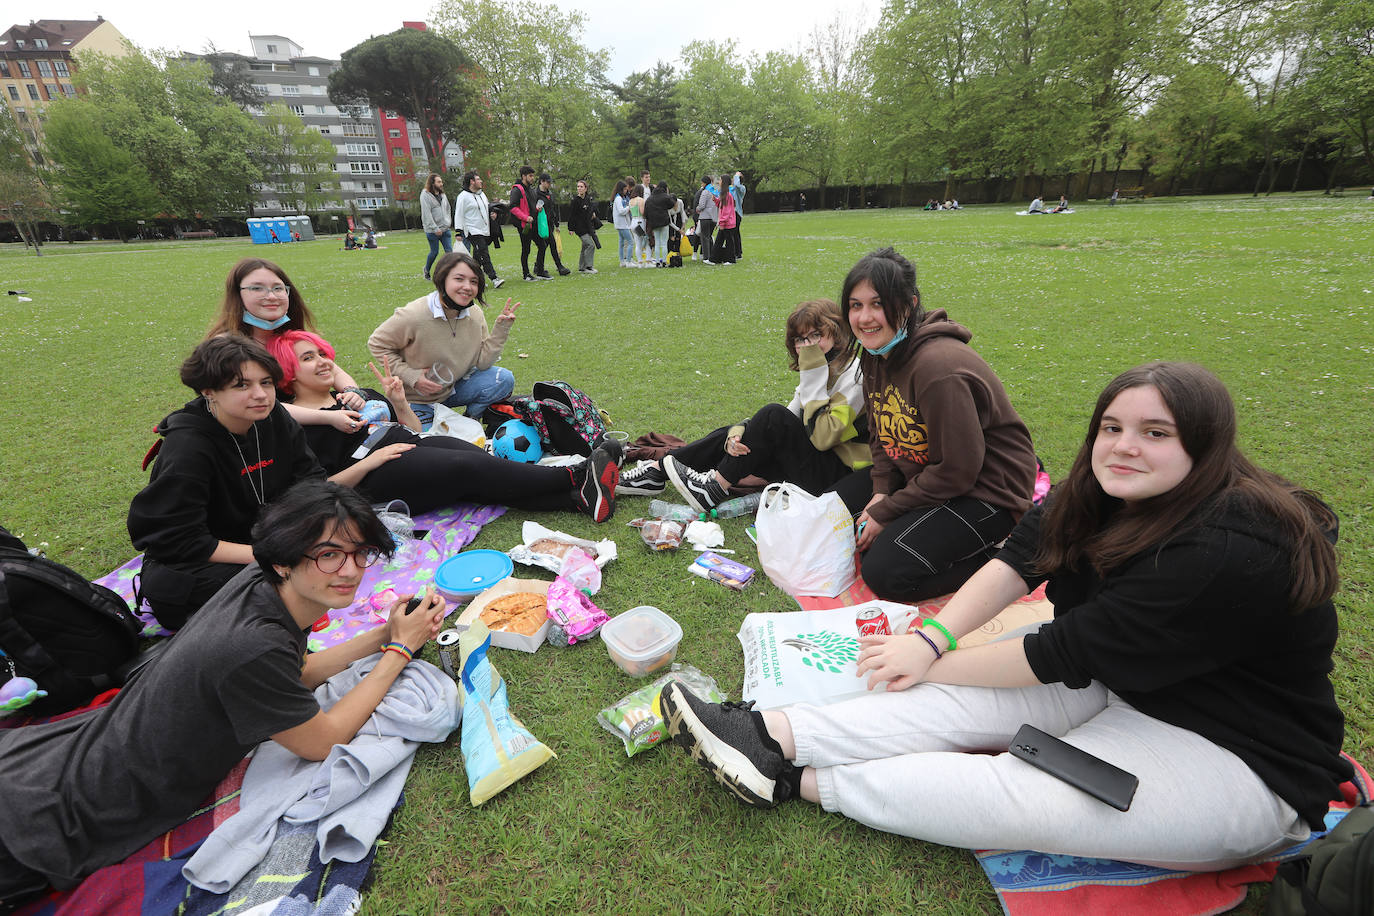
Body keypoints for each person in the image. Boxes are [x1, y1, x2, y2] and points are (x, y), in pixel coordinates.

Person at [660, 361, 1350, 873]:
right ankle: (767, 734)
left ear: (1205, 447)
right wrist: (931, 640)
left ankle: (796, 782)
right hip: (1128, 680)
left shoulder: (1232, 547)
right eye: (1111, 427)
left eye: (1154, 433)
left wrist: (931, 654)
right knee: (955, 695)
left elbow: (1062, 653)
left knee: (1020, 796)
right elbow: (1020, 561)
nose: (1122, 446)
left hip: (1236, 751)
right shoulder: (1098, 486)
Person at [2, 480, 450, 901]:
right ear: (283, 558)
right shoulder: (253, 643)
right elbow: (324, 741)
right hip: (51, 826)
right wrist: (399, 650)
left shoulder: (265, 588)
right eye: (329, 554)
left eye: (361, 553)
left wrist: (384, 634)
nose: (350, 570)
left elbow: (296, 673)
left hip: (61, 764)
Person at [831, 247, 1036, 602]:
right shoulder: (876, 355)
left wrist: (888, 510)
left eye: (878, 304)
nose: (865, 317)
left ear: (908, 305)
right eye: (856, 305)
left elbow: (959, 470)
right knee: (834, 519)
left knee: (884, 572)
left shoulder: (939, 368)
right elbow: (881, 435)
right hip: (924, 473)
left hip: (986, 491)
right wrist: (881, 490)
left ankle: (1013, 557)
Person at [269, 331, 623, 521]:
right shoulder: (292, 425)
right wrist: (372, 461)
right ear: (287, 371)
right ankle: (577, 476)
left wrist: (399, 402)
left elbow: (411, 428)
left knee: (479, 476)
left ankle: (574, 500)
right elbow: (314, 490)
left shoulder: (351, 398)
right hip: (374, 479)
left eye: (321, 354)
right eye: (307, 358)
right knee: (465, 466)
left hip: (409, 444)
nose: (322, 362)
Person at [127, 336, 327, 630]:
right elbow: (180, 540)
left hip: (260, 540)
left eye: (267, 382)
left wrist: (302, 534)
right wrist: (274, 557)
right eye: (241, 385)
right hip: (196, 563)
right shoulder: (188, 446)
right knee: (283, 587)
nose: (260, 395)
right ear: (209, 391)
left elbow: (310, 479)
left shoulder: (274, 417)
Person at [620, 300, 868, 510]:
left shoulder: (853, 376)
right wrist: (737, 433)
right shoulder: (819, 370)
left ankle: (713, 487)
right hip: (807, 464)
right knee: (735, 435)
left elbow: (822, 438)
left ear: (835, 335)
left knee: (773, 415)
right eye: (801, 339)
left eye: (816, 335)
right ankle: (657, 470)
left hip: (834, 479)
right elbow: (790, 417)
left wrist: (812, 376)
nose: (808, 346)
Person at [206, 257, 369, 426]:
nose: (271, 296)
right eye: (257, 288)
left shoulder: (290, 336)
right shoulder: (225, 347)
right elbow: (261, 405)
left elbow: (333, 370)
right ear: (237, 295)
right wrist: (327, 418)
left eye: (278, 288)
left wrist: (353, 392)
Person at [367, 251, 516, 427]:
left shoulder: (474, 314)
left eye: (473, 281)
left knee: (504, 379)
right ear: (442, 279)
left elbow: (482, 363)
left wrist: (501, 329)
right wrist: (412, 376)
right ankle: (436, 420)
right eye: (459, 279)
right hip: (416, 399)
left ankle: (470, 420)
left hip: (452, 389)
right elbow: (376, 343)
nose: (467, 287)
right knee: (430, 442)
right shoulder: (415, 314)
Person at [454, 170, 506, 289]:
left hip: (484, 230)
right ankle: (494, 278)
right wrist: (458, 231)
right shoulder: (463, 196)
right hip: (472, 230)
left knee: (477, 257)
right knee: (483, 252)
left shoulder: (482, 194)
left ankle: (474, 280)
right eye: (478, 179)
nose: (481, 181)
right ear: (472, 182)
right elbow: (458, 214)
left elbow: (486, 208)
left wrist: (492, 213)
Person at [507, 166, 546, 281]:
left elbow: (530, 205)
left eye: (533, 175)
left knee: (542, 245)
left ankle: (540, 271)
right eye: (530, 176)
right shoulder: (517, 190)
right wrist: (525, 218)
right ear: (524, 176)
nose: (533, 178)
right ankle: (526, 274)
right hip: (524, 225)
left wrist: (537, 209)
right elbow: (513, 207)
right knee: (526, 249)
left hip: (533, 224)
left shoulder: (531, 189)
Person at [536, 173, 572, 276]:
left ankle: (537, 266)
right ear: (542, 181)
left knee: (545, 246)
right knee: (551, 244)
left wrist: (556, 224)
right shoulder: (536, 194)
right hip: (542, 225)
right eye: (548, 182)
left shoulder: (549, 194)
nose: (549, 184)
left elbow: (552, 210)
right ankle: (559, 267)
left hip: (549, 224)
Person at [420, 173, 453, 281]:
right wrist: (435, 228)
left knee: (449, 252)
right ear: (432, 183)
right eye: (439, 182)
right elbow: (426, 213)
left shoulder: (442, 195)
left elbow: (447, 209)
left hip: (445, 228)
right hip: (432, 230)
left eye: (441, 181)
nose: (441, 184)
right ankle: (426, 269)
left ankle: (449, 274)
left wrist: (448, 222)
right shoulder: (425, 195)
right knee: (434, 252)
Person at [568, 179, 600, 274]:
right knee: (590, 245)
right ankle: (588, 267)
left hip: (588, 227)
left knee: (584, 247)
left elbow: (592, 210)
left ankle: (582, 267)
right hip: (579, 228)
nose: (579, 188)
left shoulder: (588, 199)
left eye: (581, 186)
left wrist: (593, 214)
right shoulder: (575, 201)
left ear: (586, 188)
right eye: (578, 186)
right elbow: (571, 215)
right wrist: (571, 228)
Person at [644, 181, 673, 268]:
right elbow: (671, 204)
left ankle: (657, 262)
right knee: (664, 243)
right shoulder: (665, 197)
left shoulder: (650, 199)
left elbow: (646, 212)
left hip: (654, 223)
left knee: (657, 243)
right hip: (664, 222)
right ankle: (664, 262)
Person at [714, 179, 739, 265]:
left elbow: (727, 211)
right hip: (726, 222)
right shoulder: (724, 194)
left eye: (721, 180)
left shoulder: (728, 195)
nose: (719, 181)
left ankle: (731, 260)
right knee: (721, 241)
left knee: (729, 242)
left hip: (728, 223)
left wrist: (721, 222)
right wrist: (715, 200)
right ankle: (714, 259)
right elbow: (721, 206)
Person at [695, 175, 718, 264]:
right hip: (713, 218)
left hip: (705, 217)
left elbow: (702, 205)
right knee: (709, 237)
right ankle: (712, 256)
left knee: (704, 238)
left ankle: (706, 258)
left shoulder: (705, 192)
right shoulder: (715, 192)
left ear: (704, 183)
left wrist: (697, 209)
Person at [612, 180, 634, 268]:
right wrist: (629, 207)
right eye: (625, 189)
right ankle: (628, 261)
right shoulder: (618, 199)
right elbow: (621, 211)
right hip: (622, 224)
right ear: (621, 189)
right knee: (631, 242)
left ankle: (622, 261)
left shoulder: (620, 198)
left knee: (621, 243)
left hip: (621, 224)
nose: (626, 191)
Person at [628, 183, 648, 266]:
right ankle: (648, 260)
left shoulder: (630, 200)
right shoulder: (640, 200)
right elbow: (642, 212)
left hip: (633, 222)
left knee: (637, 243)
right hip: (640, 222)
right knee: (646, 241)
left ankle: (639, 262)